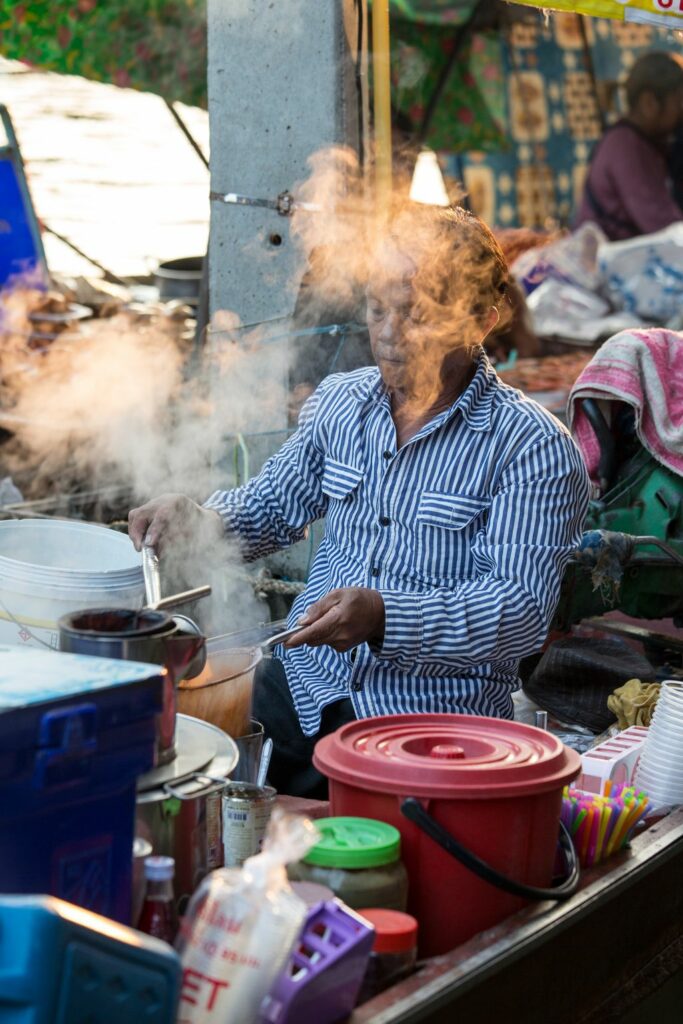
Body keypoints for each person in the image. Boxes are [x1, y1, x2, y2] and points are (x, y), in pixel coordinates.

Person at [129, 204, 589, 799]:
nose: (392, 335)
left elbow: (518, 612)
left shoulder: (532, 448)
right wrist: (198, 518)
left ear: (481, 320)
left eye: (418, 315)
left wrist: (384, 616)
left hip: (431, 726)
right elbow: (270, 507)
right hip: (302, 685)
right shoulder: (342, 403)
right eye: (378, 309)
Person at [574, 51, 683, 241]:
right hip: (604, 264)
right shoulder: (626, 147)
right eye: (679, 103)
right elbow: (663, 226)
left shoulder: (647, 144)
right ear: (649, 103)